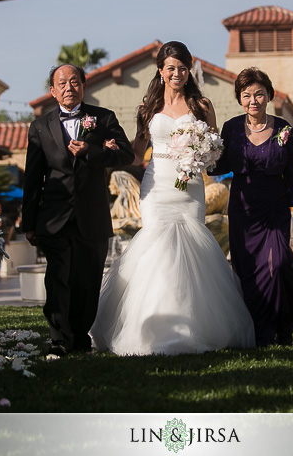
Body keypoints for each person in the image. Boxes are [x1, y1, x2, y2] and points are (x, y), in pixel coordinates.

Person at [90, 42, 254, 355]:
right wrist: (111, 151)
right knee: (158, 249)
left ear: (189, 70)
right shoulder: (147, 108)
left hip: (191, 187)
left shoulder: (202, 105)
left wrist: (202, 154)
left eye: (182, 68)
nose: (177, 73)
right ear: (161, 71)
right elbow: (137, 154)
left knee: (192, 248)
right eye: (171, 68)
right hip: (157, 185)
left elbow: (215, 151)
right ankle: (155, 328)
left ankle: (197, 326)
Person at [24, 63, 134, 357]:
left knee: (87, 280)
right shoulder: (39, 126)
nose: (68, 87)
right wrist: (29, 222)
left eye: (74, 82)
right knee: (57, 277)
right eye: (62, 83)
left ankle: (81, 336)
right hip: (54, 217)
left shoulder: (103, 118)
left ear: (84, 87)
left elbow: (126, 154)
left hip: (92, 215)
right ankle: (59, 338)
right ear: (52, 91)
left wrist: (92, 151)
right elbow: (32, 177)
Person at [211, 67, 293, 347]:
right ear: (239, 99)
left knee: (278, 264)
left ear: (269, 96)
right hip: (243, 207)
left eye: (259, 94)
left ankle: (282, 325)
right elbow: (218, 166)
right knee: (249, 270)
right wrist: (200, 150)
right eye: (246, 95)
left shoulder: (283, 129)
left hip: (275, 206)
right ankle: (260, 333)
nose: (253, 100)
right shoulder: (231, 128)